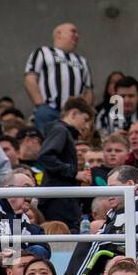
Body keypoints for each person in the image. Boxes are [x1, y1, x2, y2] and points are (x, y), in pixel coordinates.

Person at [64, 166, 138, 275]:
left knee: (91, 242)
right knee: (91, 241)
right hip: (115, 258)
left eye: (112, 188)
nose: (109, 194)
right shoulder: (113, 214)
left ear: (129, 184)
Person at [35, 96, 95, 231]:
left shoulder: (60, 131)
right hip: (59, 200)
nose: (85, 126)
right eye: (85, 120)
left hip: (60, 198)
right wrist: (74, 173)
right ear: (74, 113)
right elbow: (45, 156)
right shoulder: (61, 130)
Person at [24, 22, 93, 134]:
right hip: (49, 110)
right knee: (48, 144)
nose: (77, 35)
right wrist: (41, 105)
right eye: (73, 31)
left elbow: (88, 90)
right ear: (59, 34)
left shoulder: (82, 60)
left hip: (73, 115)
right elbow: (30, 78)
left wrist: (84, 111)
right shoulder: (42, 52)